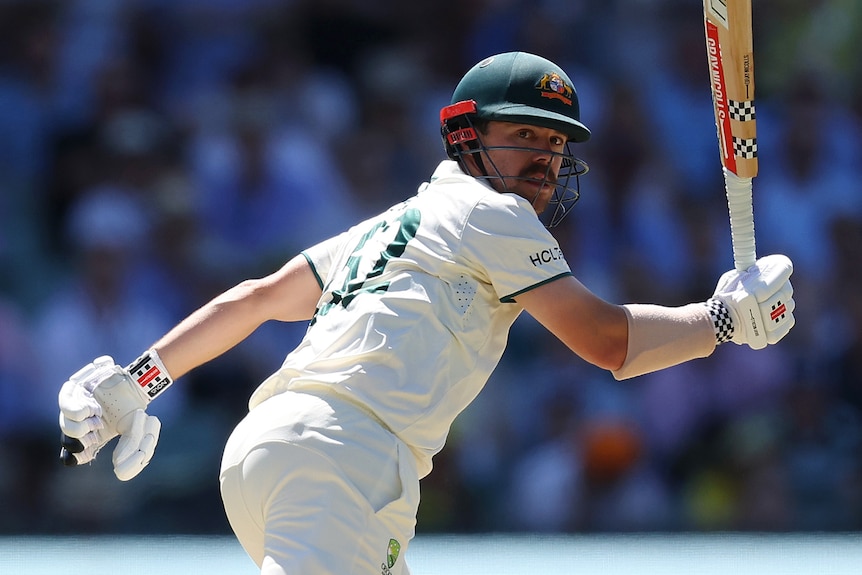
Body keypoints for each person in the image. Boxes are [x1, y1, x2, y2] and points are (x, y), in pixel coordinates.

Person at [57, 52, 795, 574]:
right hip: (342, 458)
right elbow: (608, 343)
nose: (544, 157)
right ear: (468, 139)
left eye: (554, 142)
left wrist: (138, 380)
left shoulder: (394, 223)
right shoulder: (491, 213)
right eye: (524, 134)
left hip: (276, 453)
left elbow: (253, 301)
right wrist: (722, 321)